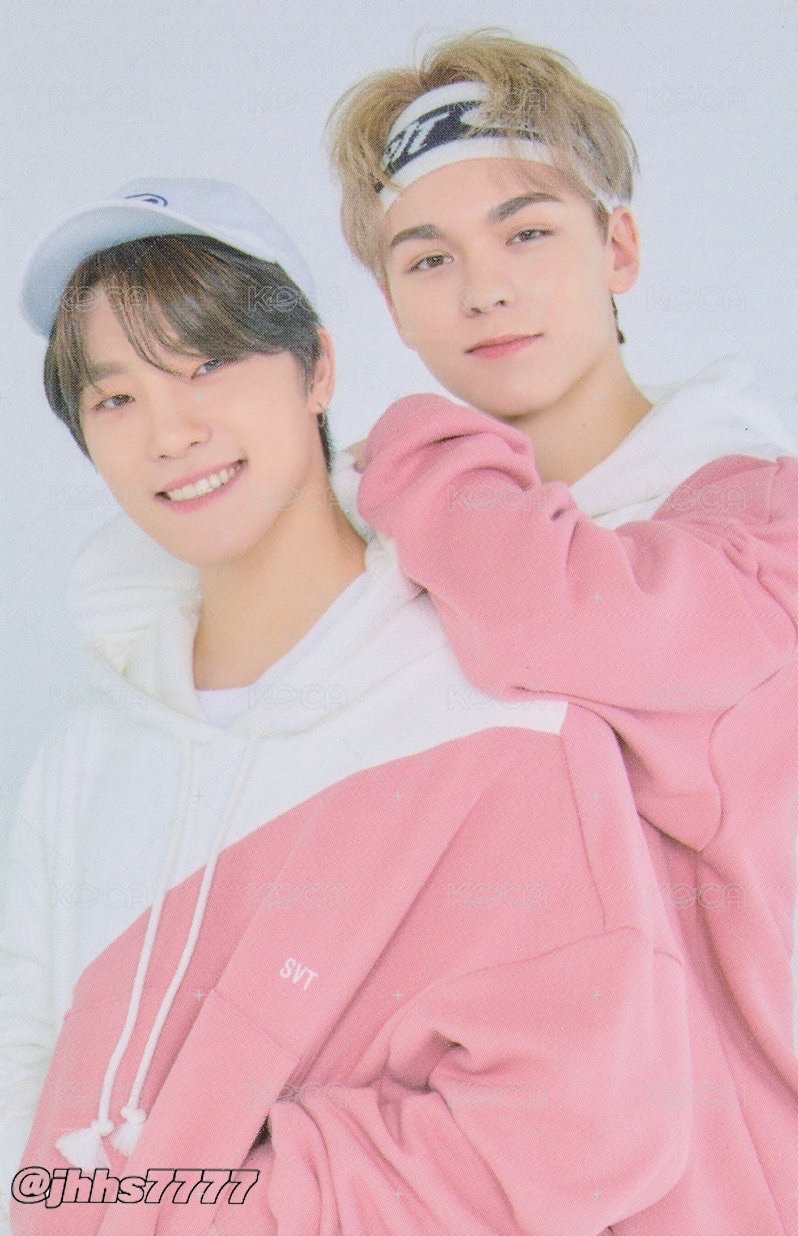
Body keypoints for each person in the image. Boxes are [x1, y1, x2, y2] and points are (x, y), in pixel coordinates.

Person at [0, 177, 690, 1236]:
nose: (171, 432)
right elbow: (27, 1063)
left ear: (317, 367)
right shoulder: (89, 749)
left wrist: (218, 1210)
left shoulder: (498, 717)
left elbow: (584, 1128)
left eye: (209, 364)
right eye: (116, 399)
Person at [326, 30, 798, 1232]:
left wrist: (417, 454)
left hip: (732, 1181)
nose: (483, 288)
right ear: (391, 303)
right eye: (429, 257)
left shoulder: (764, 515)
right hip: (488, 1169)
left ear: (617, 246)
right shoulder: (398, 560)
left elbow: (568, 616)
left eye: (527, 231)